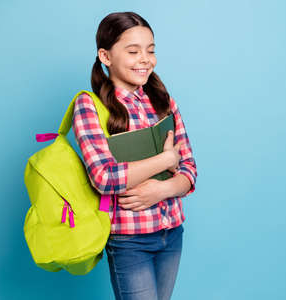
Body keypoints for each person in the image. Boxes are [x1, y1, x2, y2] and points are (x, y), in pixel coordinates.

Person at [71, 11, 198, 300]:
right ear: (105, 56)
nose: (145, 59)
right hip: (129, 241)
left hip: (172, 232)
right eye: (133, 51)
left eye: (150, 50)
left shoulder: (164, 102)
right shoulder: (90, 106)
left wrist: (163, 189)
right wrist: (166, 161)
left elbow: (189, 169)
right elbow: (104, 178)